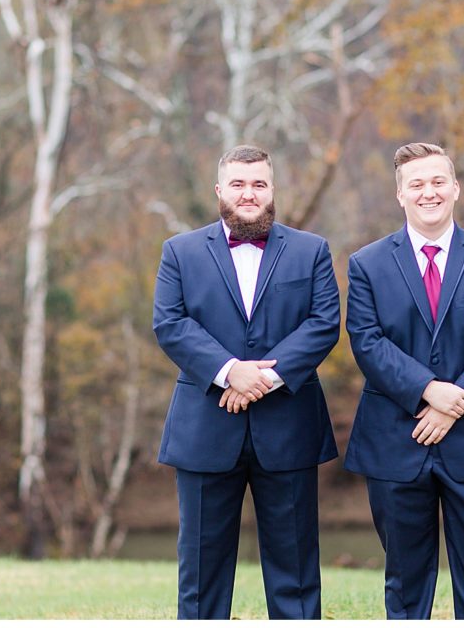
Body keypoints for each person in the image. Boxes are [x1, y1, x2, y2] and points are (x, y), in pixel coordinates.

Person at [152, 144, 341, 620]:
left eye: (259, 184)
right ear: (220, 190)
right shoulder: (180, 252)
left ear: (272, 190)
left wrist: (262, 378)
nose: (249, 193)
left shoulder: (311, 250)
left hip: (290, 426)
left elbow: (323, 324)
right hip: (205, 428)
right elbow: (170, 324)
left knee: (296, 571)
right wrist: (228, 371)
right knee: (200, 573)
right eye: (238, 184)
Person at [344, 142, 464, 619]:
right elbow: (367, 342)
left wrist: (454, 403)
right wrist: (429, 391)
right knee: (404, 582)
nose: (429, 192)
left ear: (456, 188)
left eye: (438, 181)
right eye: (417, 184)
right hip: (396, 442)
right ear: (400, 195)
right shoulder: (367, 264)